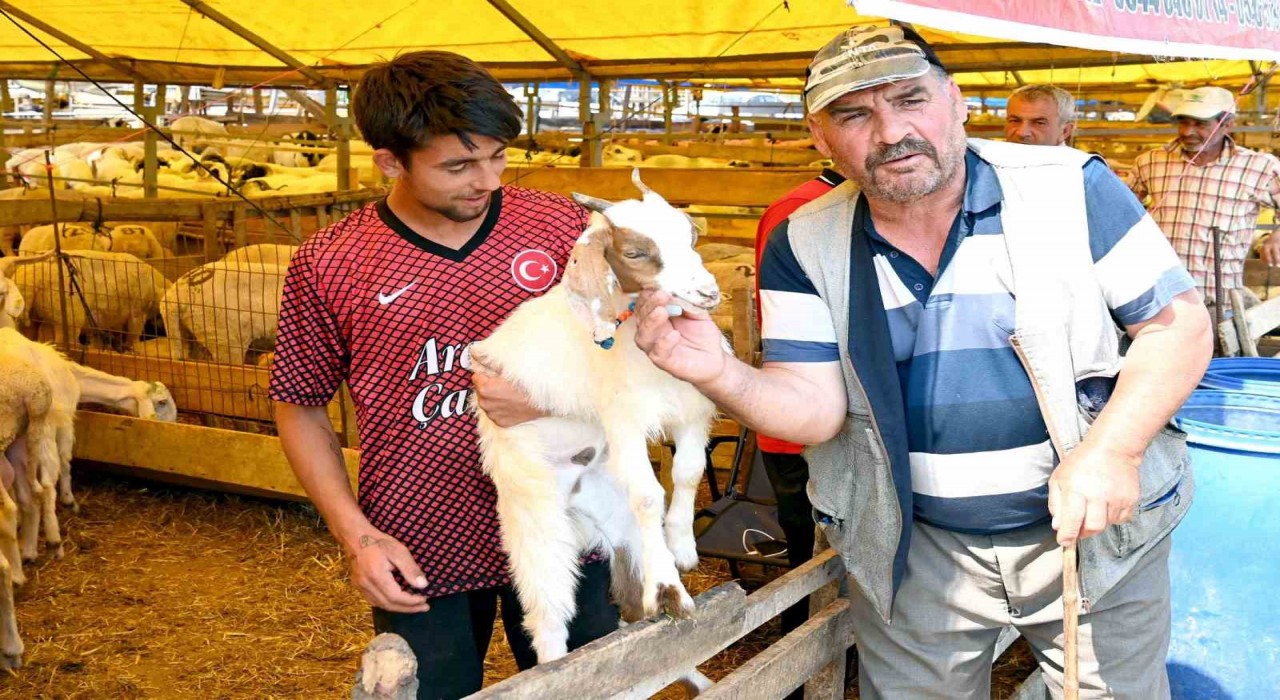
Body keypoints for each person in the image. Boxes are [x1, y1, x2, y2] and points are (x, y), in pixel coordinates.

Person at [634, 24, 1212, 698]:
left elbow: (1177, 327)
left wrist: (1113, 451)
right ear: (819, 138)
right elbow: (814, 410)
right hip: (916, 547)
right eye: (854, 114)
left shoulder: (1070, 186)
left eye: (911, 100)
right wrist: (719, 373)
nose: (890, 132)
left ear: (957, 101)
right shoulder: (803, 240)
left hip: (1091, 534)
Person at [270, 51, 618, 699]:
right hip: (417, 539)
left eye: (496, 156)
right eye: (457, 165)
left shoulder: (560, 229)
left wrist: (554, 393)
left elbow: (624, 345)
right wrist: (358, 538)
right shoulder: (331, 263)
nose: (485, 179)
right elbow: (299, 405)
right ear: (389, 161)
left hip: (564, 520)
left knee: (590, 688)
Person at [751, 167, 844, 698]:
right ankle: (798, 669)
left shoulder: (840, 205)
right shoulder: (799, 212)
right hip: (803, 426)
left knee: (830, 551)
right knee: (808, 552)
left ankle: (828, 659)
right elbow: (791, 329)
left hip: (829, 422)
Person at [1129, 85, 1280, 308]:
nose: (1187, 132)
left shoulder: (1258, 167)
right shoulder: (1150, 161)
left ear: (1228, 124)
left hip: (1219, 300)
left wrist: (1277, 235)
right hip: (1159, 297)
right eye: (1183, 122)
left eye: (1200, 124)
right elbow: (1119, 209)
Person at [1004, 84, 1077, 146]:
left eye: (1039, 123)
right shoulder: (995, 159)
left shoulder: (1080, 162)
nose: (1022, 133)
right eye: (1015, 121)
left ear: (1065, 131)